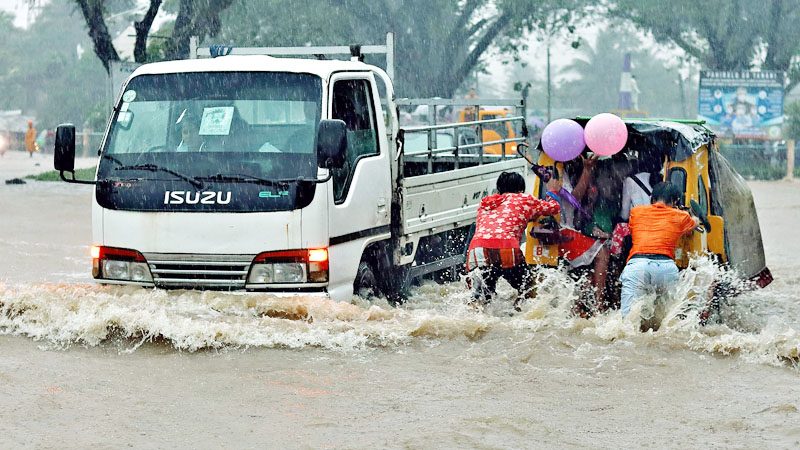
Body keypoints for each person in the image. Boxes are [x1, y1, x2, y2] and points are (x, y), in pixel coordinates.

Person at [466, 171, 560, 306]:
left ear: (500, 189)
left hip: (478, 250)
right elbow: (554, 208)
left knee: (482, 298)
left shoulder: (486, 203)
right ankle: (520, 316)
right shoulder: (523, 199)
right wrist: (552, 191)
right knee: (528, 288)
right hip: (506, 248)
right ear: (521, 189)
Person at [620, 182, 699, 325]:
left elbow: (635, 231)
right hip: (666, 268)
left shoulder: (636, 212)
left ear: (652, 198)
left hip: (637, 266)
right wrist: (695, 216)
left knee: (627, 322)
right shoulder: (681, 216)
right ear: (675, 201)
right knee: (666, 320)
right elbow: (695, 222)